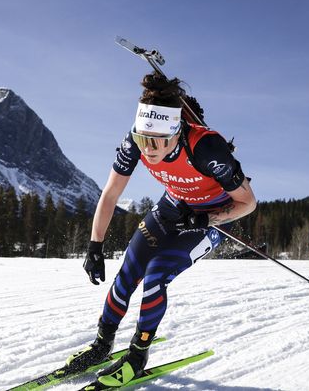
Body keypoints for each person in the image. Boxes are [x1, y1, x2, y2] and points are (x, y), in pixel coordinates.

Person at [65, 72, 257, 389]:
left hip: (211, 218)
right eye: (142, 140)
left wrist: (207, 220)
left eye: (156, 143)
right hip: (171, 206)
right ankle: (102, 344)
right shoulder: (136, 140)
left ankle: (138, 357)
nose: (148, 150)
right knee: (130, 268)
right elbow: (111, 194)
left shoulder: (206, 147)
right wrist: (94, 246)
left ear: (176, 132)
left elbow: (247, 202)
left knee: (156, 273)